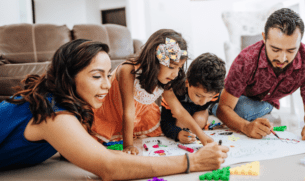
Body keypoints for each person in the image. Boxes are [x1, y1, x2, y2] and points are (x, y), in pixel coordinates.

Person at [0, 39, 229, 180]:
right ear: (69, 78)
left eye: (108, 75)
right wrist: (193, 162)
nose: (108, 86)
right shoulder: (54, 115)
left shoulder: (66, 105)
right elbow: (109, 168)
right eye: (97, 76)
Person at [210, 8, 305, 144]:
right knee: (238, 110)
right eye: (275, 49)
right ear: (264, 38)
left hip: (267, 101)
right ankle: (211, 105)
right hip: (237, 95)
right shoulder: (245, 60)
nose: (282, 58)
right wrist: (245, 127)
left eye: (291, 50)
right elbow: (225, 108)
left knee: (244, 110)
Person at [92, 29, 214, 155]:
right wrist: (128, 146)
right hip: (112, 111)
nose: (175, 74)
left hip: (139, 114)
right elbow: (128, 111)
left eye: (179, 67)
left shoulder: (166, 79)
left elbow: (178, 110)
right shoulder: (127, 70)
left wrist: (202, 136)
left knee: (163, 131)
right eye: (172, 67)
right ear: (155, 60)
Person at [161, 53, 226, 143]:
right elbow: (165, 122)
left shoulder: (214, 91)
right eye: (198, 95)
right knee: (181, 124)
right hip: (180, 111)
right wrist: (178, 134)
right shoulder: (174, 91)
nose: (203, 101)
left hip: (199, 112)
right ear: (187, 82)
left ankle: (205, 113)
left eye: (209, 97)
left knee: (199, 120)